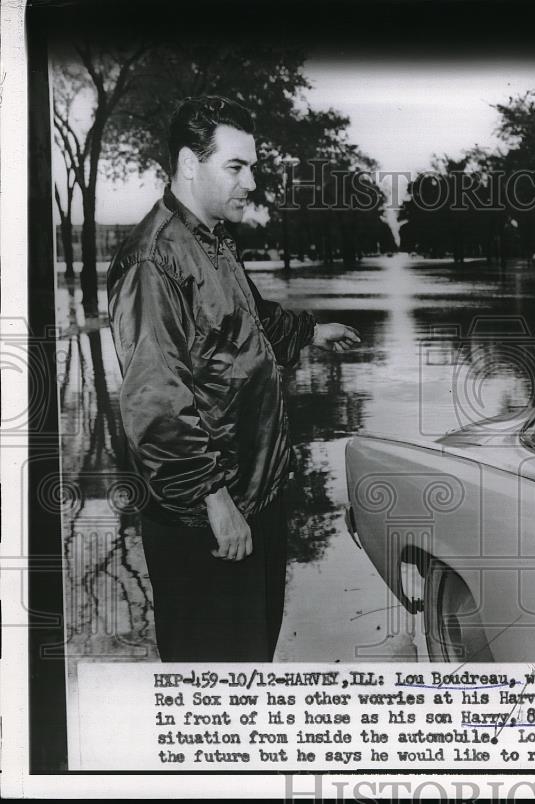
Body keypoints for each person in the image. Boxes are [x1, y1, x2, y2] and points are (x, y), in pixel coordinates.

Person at [107, 96, 361, 661]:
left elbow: (245, 321)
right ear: (188, 164)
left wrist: (310, 331)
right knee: (215, 680)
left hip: (252, 494)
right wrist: (213, 500)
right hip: (206, 517)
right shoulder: (154, 260)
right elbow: (155, 404)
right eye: (236, 167)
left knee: (253, 660)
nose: (252, 182)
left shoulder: (213, 238)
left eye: (253, 167)